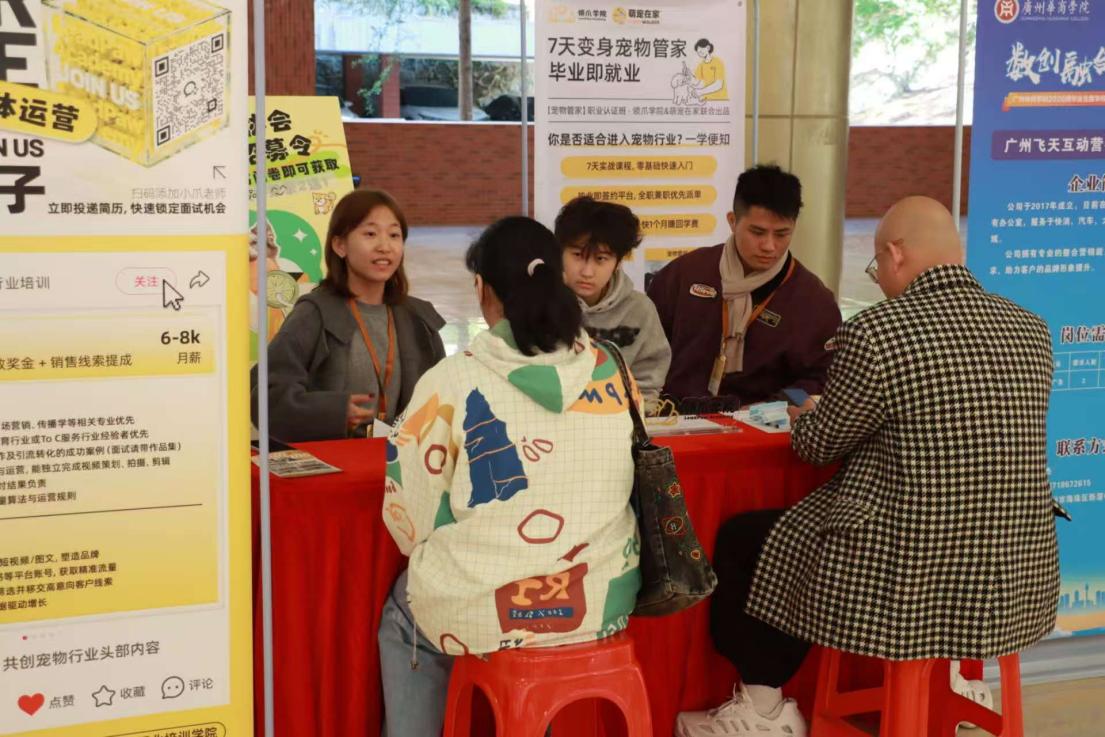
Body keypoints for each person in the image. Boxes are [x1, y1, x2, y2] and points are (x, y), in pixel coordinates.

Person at [676, 197, 1061, 737]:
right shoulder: (1031, 329)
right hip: (1015, 566)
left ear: (895, 254)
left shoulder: (878, 331)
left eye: (877, 267)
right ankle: (951, 678)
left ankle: (763, 708)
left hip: (907, 569)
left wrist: (807, 416)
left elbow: (819, 446)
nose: (879, 281)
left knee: (748, 539)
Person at [378, 216, 641, 736]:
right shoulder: (611, 367)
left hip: (493, 605)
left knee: (405, 615)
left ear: (482, 288)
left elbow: (408, 518)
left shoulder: (454, 379)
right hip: (601, 598)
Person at [254, 189, 445, 441]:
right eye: (370, 234)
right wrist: (332, 412)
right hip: (334, 462)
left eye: (394, 235)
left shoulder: (417, 318)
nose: (385, 246)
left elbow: (443, 399)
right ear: (340, 245)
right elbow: (266, 397)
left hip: (402, 461)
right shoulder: (315, 314)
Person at [647, 164, 840, 408]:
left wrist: (770, 408)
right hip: (675, 418)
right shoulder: (685, 274)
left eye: (782, 234)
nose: (769, 246)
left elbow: (823, 379)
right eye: (757, 232)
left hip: (761, 424)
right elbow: (644, 352)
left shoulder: (813, 301)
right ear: (732, 221)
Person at [555, 195, 671, 413]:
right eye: (578, 255)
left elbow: (648, 380)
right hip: (554, 420)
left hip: (621, 421)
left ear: (618, 261)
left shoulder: (640, 310)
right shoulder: (540, 304)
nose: (587, 272)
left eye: (601, 259)